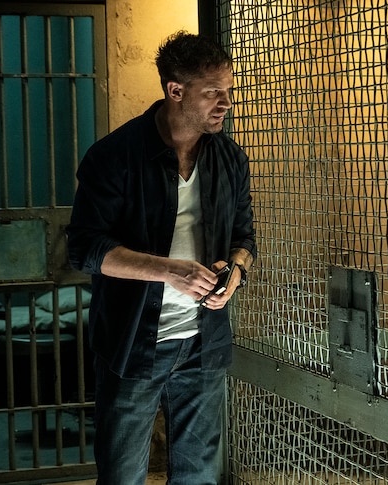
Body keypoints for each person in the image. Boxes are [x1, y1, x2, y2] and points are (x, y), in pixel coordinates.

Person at [66, 31, 255, 483]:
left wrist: (236, 273)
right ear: (175, 91)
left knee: (199, 476)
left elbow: (244, 238)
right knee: (122, 476)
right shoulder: (114, 156)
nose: (225, 102)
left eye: (228, 91)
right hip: (133, 343)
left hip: (203, 343)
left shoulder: (229, 159)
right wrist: (168, 271)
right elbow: (85, 248)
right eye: (213, 92)